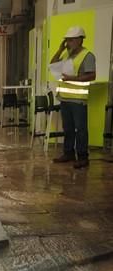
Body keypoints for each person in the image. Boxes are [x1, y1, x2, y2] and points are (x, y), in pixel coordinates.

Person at [50, 26, 96, 169]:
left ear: (79, 40)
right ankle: (68, 152)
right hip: (65, 98)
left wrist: (73, 78)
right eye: (67, 40)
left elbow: (92, 75)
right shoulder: (66, 55)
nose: (68, 43)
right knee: (68, 128)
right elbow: (52, 64)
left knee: (80, 128)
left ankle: (82, 156)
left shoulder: (87, 55)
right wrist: (60, 50)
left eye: (70, 40)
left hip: (77, 99)